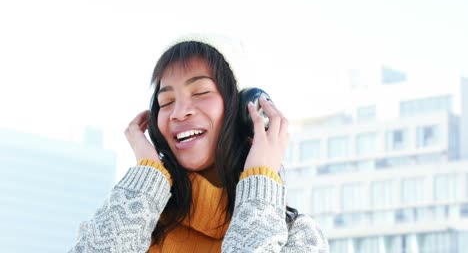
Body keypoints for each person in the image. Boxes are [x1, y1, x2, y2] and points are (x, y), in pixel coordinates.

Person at [68, 35, 329, 253]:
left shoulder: (297, 237)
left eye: (201, 92)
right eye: (166, 102)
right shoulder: (134, 223)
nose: (179, 112)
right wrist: (147, 175)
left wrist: (261, 180)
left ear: (244, 111)